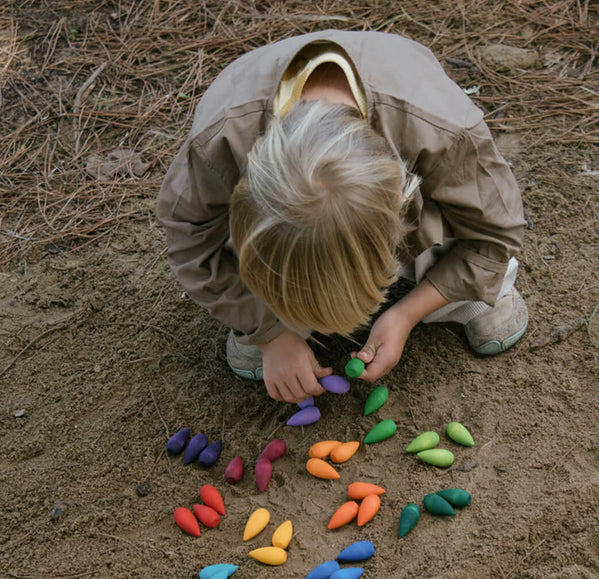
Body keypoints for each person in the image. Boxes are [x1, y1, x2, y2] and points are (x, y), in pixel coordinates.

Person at [156, 30, 528, 404]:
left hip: (422, 180)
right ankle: (266, 317)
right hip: (266, 205)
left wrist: (405, 314)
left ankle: (463, 297)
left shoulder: (443, 132)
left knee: (470, 228)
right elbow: (189, 245)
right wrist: (268, 333)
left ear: (398, 200)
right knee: (236, 255)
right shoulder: (217, 145)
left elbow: (496, 232)